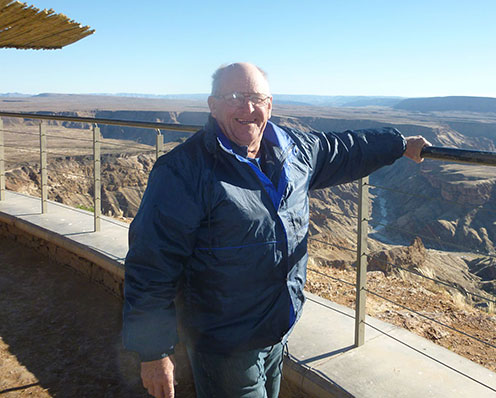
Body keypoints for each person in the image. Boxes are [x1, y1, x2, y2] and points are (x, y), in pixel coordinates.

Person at [122, 62, 430, 398]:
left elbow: (345, 149)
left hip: (277, 330)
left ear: (270, 104)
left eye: (257, 98)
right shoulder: (183, 171)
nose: (248, 108)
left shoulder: (294, 151)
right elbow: (152, 262)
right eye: (235, 97)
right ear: (213, 105)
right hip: (226, 343)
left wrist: (398, 144)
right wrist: (154, 352)